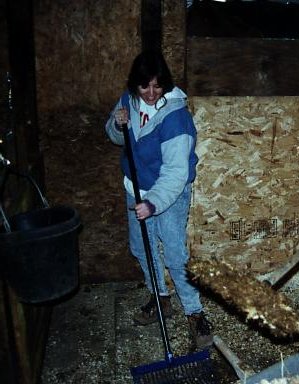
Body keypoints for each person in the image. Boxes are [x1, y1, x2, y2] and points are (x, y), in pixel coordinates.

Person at [105, 50, 212, 350]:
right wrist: (117, 124)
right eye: (144, 87)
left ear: (165, 83)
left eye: (157, 86)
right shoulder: (128, 100)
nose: (151, 94)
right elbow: (114, 137)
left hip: (169, 192)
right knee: (142, 247)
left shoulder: (176, 117)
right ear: (134, 85)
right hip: (135, 187)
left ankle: (194, 312)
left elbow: (176, 172)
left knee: (175, 253)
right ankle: (160, 297)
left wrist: (152, 204)